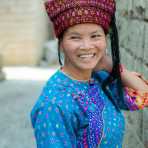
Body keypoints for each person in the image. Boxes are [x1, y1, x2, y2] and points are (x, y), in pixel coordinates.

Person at [30, 0, 148, 147]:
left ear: (105, 39)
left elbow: (144, 95)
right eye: (75, 37)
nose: (86, 46)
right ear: (60, 44)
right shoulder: (53, 105)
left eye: (95, 36)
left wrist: (110, 65)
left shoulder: (99, 79)